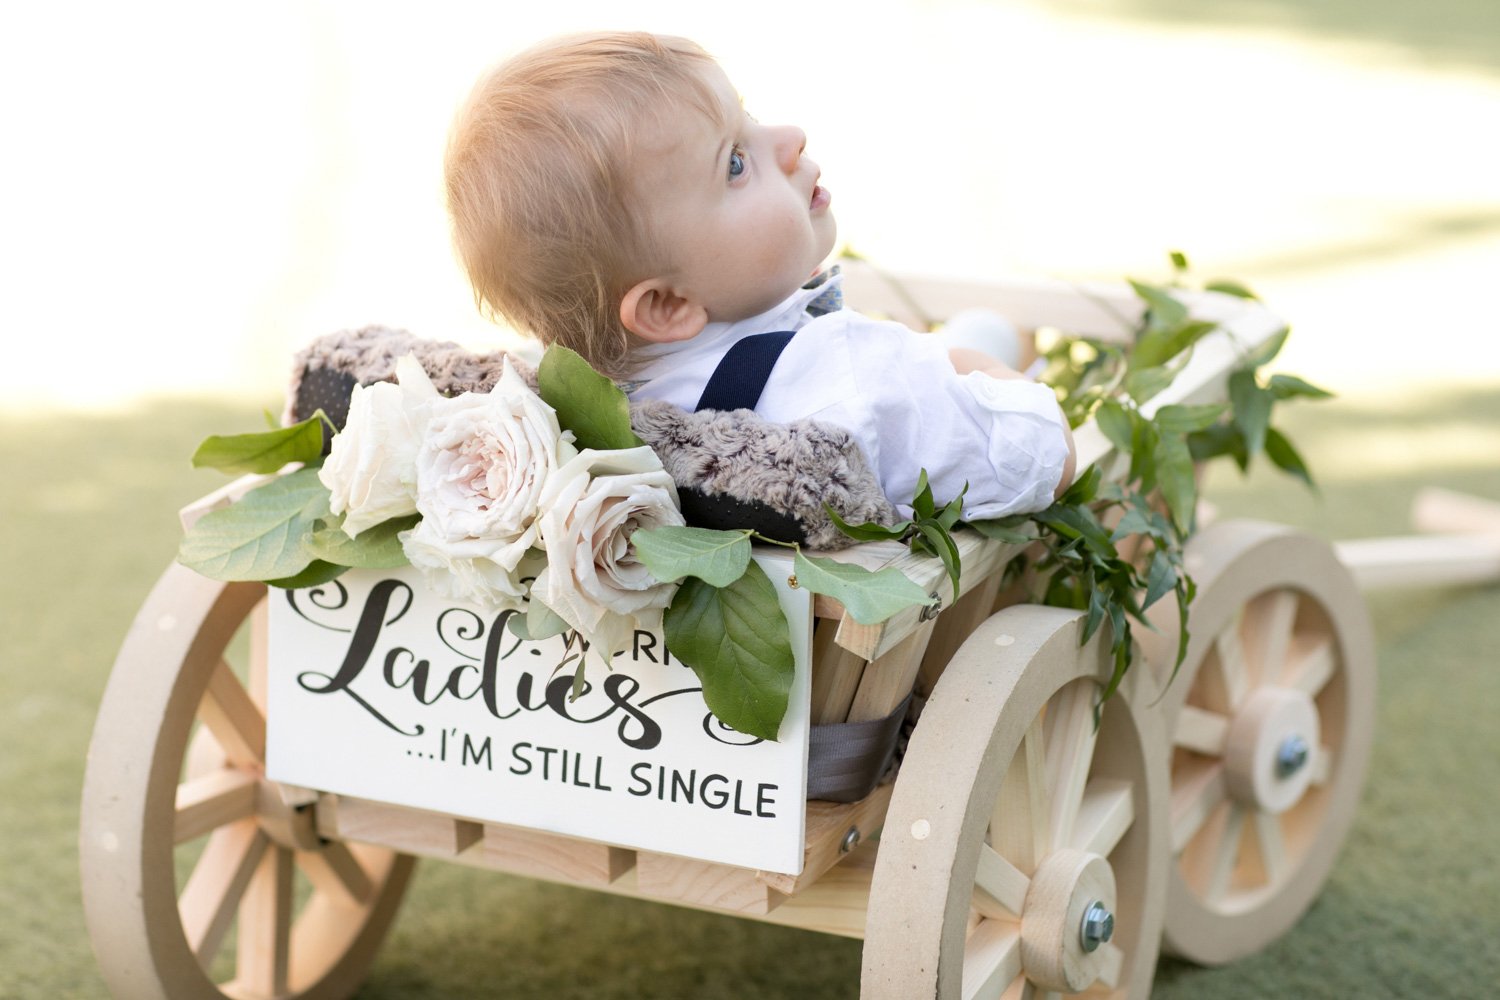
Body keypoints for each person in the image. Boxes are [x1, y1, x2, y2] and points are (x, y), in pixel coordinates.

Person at [444, 31, 1075, 520]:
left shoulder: (566, 413)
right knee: (988, 331)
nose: (792, 137)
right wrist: (967, 364)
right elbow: (1042, 455)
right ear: (665, 304)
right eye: (737, 162)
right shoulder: (864, 377)